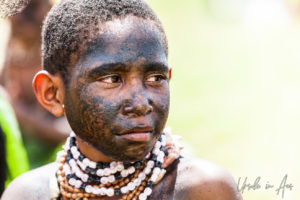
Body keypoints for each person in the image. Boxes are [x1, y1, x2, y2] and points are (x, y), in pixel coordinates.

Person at [1, 0, 243, 199]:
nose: (140, 103)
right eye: (112, 79)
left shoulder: (202, 189)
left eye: (155, 78)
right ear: (51, 93)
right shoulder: (28, 195)